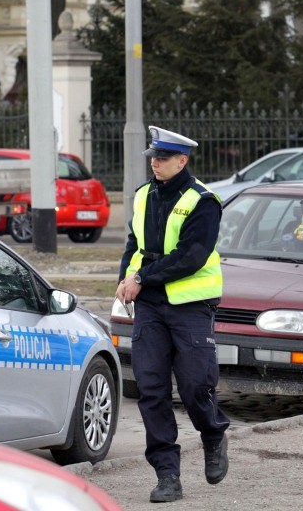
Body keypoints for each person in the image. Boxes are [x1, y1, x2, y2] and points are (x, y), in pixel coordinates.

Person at [116, 126, 230, 503]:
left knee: (196, 386)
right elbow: (134, 245)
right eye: (153, 157)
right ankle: (167, 474)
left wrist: (140, 277)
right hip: (149, 305)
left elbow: (191, 256)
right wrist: (124, 281)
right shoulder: (143, 195)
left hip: (190, 306)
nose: (155, 163)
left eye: (162, 158)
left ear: (182, 161)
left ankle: (213, 435)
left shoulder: (204, 201)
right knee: (150, 390)